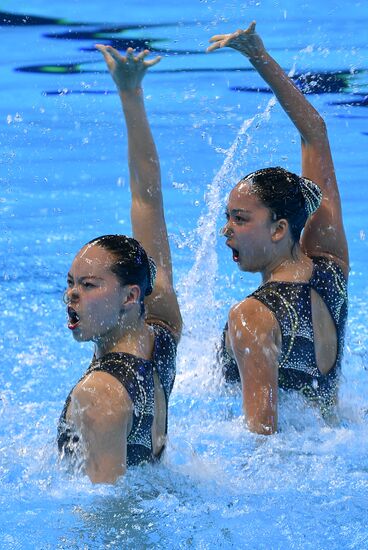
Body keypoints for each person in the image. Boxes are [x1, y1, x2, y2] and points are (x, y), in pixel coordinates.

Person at [207, 22, 349, 435]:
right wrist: (259, 56)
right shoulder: (332, 268)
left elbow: (263, 442)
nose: (225, 232)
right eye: (227, 218)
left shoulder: (253, 317)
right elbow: (315, 134)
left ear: (279, 228)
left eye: (240, 218)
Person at [57, 46, 182, 483]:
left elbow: (108, 513)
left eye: (90, 285)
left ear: (131, 295)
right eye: (71, 284)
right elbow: (148, 198)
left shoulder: (100, 394)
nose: (72, 295)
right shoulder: (162, 333)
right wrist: (130, 94)